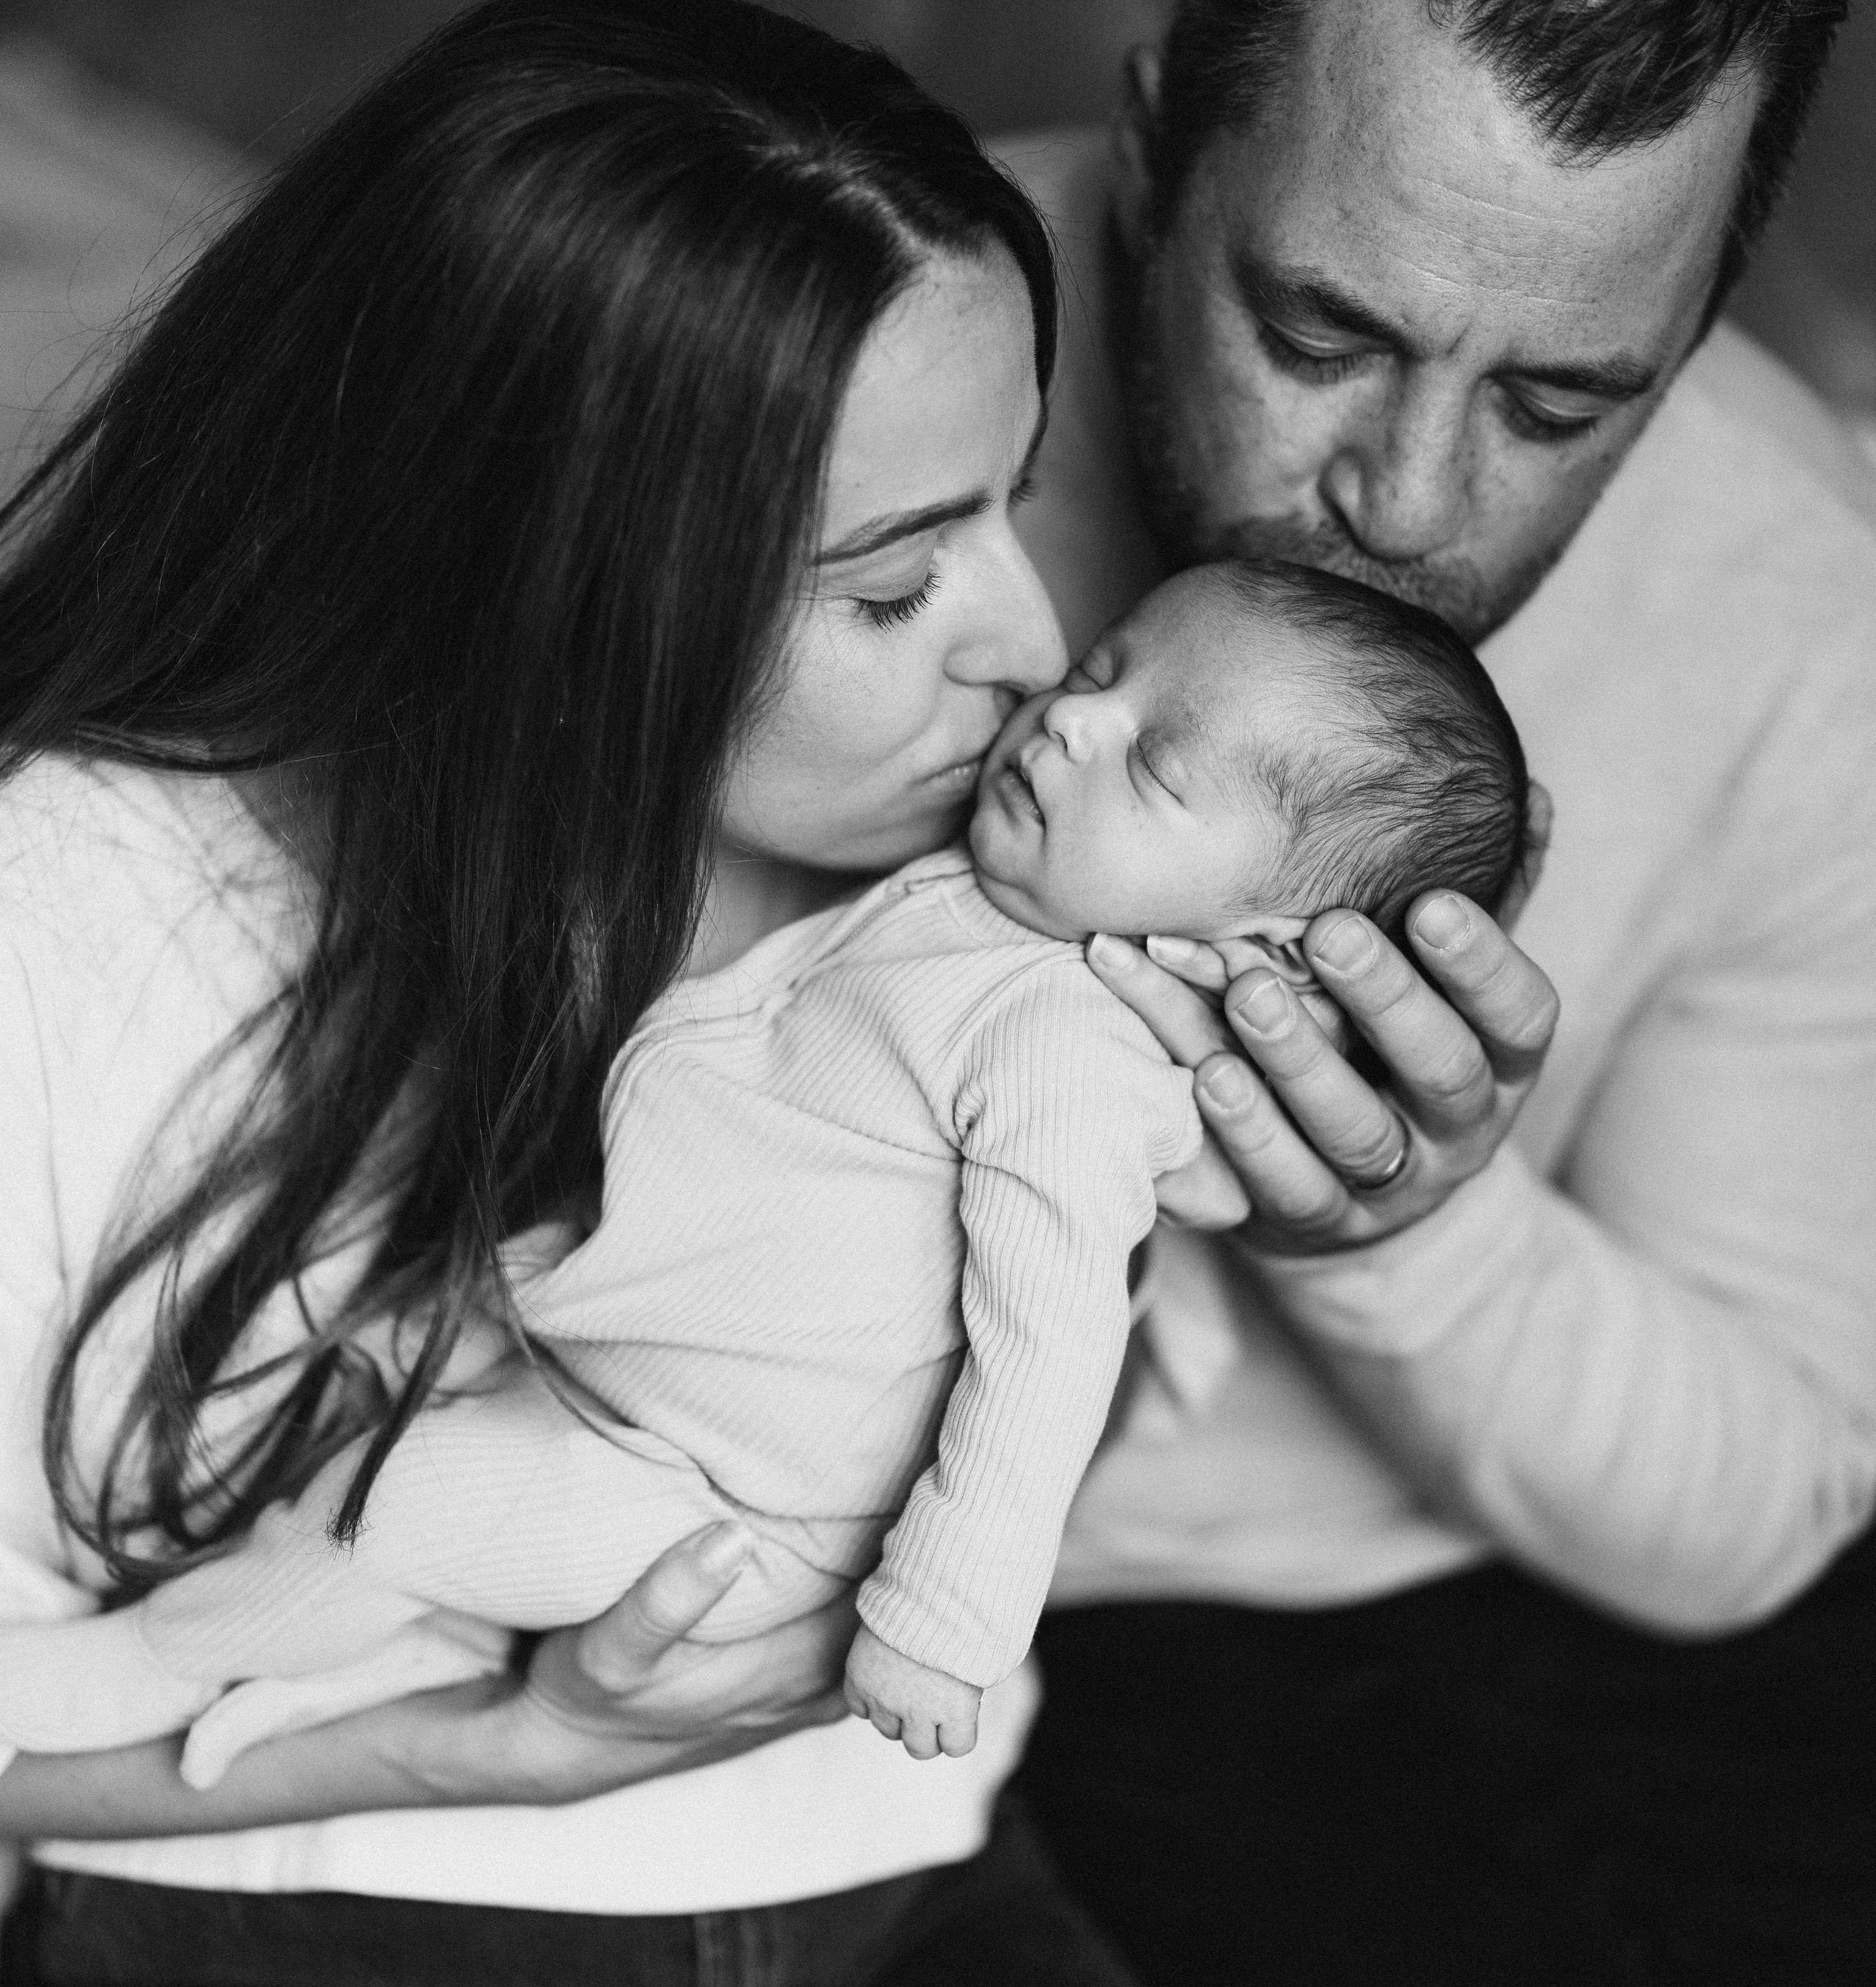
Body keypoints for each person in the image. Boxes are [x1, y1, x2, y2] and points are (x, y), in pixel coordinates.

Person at [0, 0, 1392, 1987]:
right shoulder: (75, 922)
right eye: (895, 583)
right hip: (279, 1964)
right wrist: (477, 1747)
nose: (1034, 647)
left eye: (1015, 501)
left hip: (905, 1921)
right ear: (544, 570)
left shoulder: (1019, 874)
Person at [987, 0, 1876, 1987]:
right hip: (1113, 1615)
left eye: (1564, 400)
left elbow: (1758, 1500)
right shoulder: (842, 418)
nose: (1404, 499)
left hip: (1590, 1504)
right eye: (1324, 332)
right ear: (1162, 138)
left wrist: (1409, 1226)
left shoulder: (1788, 594)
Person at [0, 556, 1525, 1775]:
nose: (1069, 717)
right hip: (628, 1352)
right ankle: (360, 1645)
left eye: (1158, 766)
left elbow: (1046, 1348)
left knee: (393, 1501)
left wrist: (945, 1621)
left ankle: (152, 1667)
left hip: (723, 1502)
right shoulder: (982, 897)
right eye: (1105, 669)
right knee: (376, 1371)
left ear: (1263, 953)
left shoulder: (1072, 1050)